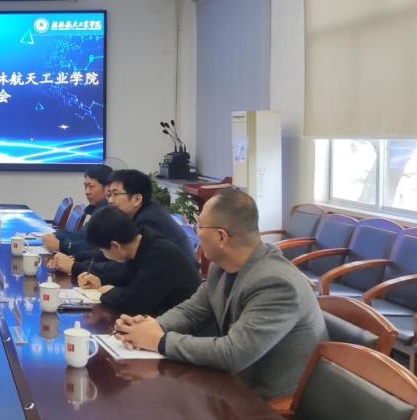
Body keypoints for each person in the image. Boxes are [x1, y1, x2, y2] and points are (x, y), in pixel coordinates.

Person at [113, 188, 327, 400]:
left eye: (199, 226)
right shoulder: (222, 267)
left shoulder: (276, 284)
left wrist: (161, 341)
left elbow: (233, 353)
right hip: (232, 383)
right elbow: (191, 311)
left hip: (271, 400)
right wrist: (151, 327)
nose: (197, 233)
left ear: (221, 237)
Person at [50, 169, 197, 279]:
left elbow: (124, 267)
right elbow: (110, 252)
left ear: (137, 199)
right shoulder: (136, 215)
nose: (110, 201)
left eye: (115, 194)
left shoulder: (149, 222)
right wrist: (77, 259)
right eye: (109, 195)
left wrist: (77, 267)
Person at [77, 206, 200, 316]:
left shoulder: (159, 254)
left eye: (102, 251)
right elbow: (125, 276)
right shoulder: (142, 244)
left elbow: (135, 303)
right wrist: (99, 283)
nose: (103, 255)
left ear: (115, 246)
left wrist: (109, 293)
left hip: (186, 325)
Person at [42, 164, 113, 255]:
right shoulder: (97, 210)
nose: (87, 192)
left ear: (107, 188)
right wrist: (57, 235)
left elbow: (92, 248)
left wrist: (61, 245)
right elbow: (82, 236)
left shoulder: (108, 214)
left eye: (91, 186)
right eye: (85, 186)